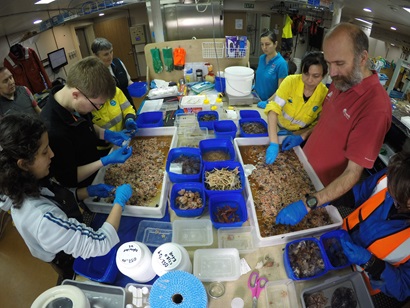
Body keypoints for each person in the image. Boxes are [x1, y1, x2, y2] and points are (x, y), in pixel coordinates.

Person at [276, 22, 392, 225]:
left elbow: (352, 174)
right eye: (329, 64)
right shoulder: (342, 82)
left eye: (339, 63)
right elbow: (325, 121)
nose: (332, 72)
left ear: (363, 58)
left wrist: (310, 202)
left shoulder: (376, 108)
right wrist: (303, 135)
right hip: (302, 171)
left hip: (323, 192)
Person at [0, 113, 133, 281]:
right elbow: (101, 243)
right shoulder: (42, 219)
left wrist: (86, 192)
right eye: (44, 151)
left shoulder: (25, 180)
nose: (52, 154)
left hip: (69, 233)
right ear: (24, 163)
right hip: (69, 258)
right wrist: (119, 203)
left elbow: (55, 198)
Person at [40, 56, 133, 188]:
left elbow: (86, 126)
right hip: (84, 186)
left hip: (96, 169)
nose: (98, 108)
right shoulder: (52, 130)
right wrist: (104, 161)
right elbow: (69, 176)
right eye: (97, 105)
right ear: (76, 95)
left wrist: (105, 134)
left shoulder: (77, 101)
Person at [334, 144, 409, 302]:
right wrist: (329, 199)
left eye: (398, 198)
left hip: (356, 279)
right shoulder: (396, 175)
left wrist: (370, 262)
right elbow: (360, 192)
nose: (390, 195)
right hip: (336, 239)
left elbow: (403, 288)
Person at [263, 51, 328, 164]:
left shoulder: (325, 95)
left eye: (316, 76)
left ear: (323, 76)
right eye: (306, 74)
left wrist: (300, 135)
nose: (309, 80)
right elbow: (274, 109)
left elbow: (321, 123)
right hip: (277, 128)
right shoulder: (290, 82)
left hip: (299, 135)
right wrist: (274, 143)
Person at [92, 87, 137, 156]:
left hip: (123, 139)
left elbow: (127, 108)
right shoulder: (89, 101)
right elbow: (88, 132)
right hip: (103, 149)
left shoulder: (115, 91)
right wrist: (107, 137)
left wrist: (129, 119)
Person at [91, 37, 135, 109]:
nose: (110, 56)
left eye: (111, 52)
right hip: (112, 110)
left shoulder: (118, 62)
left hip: (128, 105)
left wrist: (139, 88)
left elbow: (128, 81)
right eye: (106, 54)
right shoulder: (94, 73)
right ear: (96, 56)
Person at [254, 31, 288, 106]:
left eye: (267, 44)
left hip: (270, 103)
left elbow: (281, 90)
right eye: (262, 44)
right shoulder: (261, 58)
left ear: (275, 44)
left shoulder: (281, 64)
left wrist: (268, 102)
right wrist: (254, 87)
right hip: (256, 98)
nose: (264, 47)